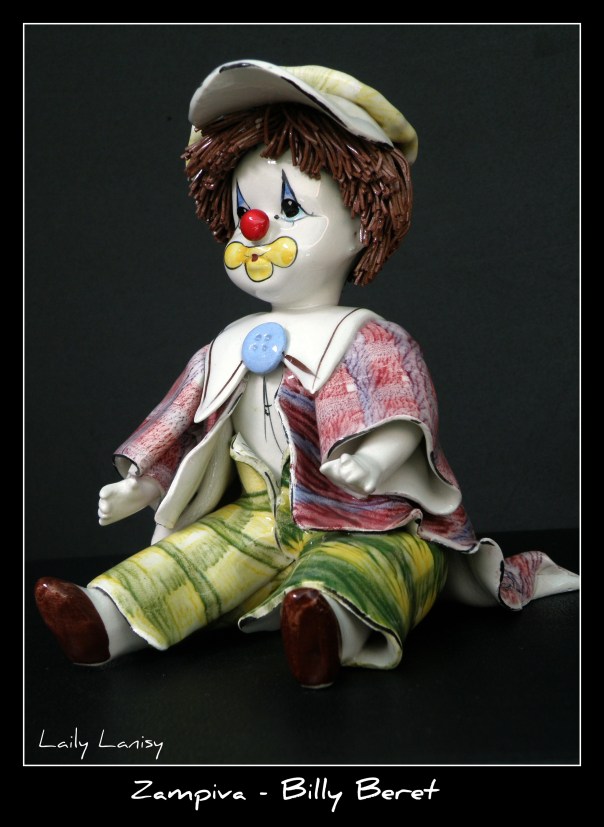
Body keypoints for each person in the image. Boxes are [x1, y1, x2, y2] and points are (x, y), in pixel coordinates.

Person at [35, 61, 579, 688]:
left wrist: (373, 462)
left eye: (288, 206)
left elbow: (406, 415)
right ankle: (106, 618)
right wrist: (143, 485)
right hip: (258, 517)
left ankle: (324, 629)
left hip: (368, 519)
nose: (255, 227)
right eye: (244, 210)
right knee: (194, 555)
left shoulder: (369, 337)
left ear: (364, 222)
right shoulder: (227, 345)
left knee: (367, 571)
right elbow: (182, 422)